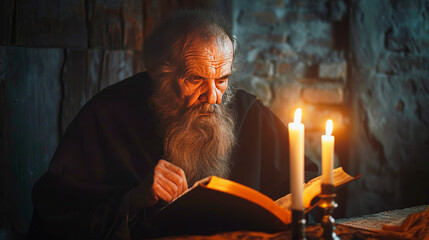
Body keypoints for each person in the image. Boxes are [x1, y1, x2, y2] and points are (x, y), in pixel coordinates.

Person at [27, 11, 317, 240]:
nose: (213, 98)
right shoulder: (105, 115)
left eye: (222, 79)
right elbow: (54, 210)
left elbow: (303, 181)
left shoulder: (248, 113)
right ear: (159, 73)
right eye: (195, 80)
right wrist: (130, 201)